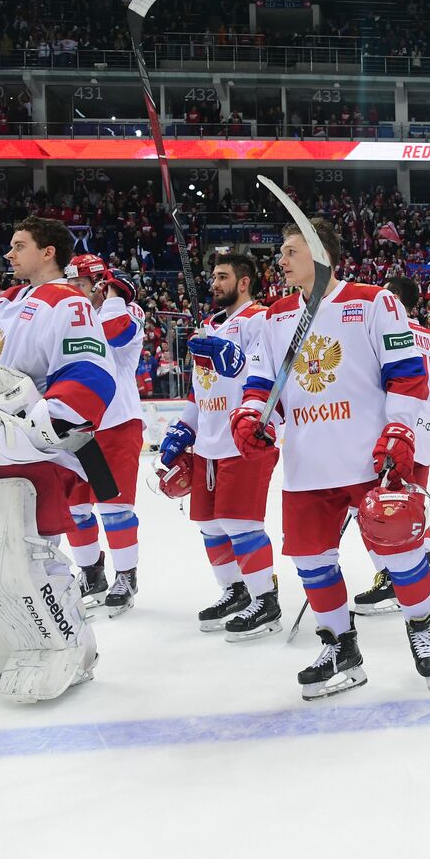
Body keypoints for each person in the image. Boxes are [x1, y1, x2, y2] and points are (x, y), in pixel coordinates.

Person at [231, 217, 430, 699]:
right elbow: (263, 386)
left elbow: (407, 375)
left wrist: (400, 431)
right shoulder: (275, 316)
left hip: (369, 459)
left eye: (290, 250)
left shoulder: (373, 301)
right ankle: (340, 645)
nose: (280, 260)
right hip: (308, 464)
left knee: (401, 550)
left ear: (320, 253)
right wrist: (252, 418)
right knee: (309, 558)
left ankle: (420, 623)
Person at [0, 216, 115, 702]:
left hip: (32, 450)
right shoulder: (5, 304)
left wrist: (48, 421)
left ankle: (66, 645)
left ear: (49, 251)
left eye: (19, 246)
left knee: (23, 553)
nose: (9, 254)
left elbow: (90, 370)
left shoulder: (69, 301)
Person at [158, 253, 282, 639]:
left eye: (223, 277)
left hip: (245, 437)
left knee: (240, 523)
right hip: (209, 442)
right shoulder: (209, 326)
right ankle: (235, 590)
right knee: (210, 525)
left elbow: (266, 374)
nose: (215, 283)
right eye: (213, 276)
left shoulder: (260, 319)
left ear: (244, 282)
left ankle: (267, 600)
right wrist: (183, 427)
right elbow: (202, 389)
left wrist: (234, 359)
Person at [354, 275, 430, 615]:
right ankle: (424, 570)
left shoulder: (395, 331)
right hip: (427, 425)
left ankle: (395, 576)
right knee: (413, 503)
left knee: (375, 506)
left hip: (400, 427)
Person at [61, 254, 145, 618]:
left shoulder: (126, 311)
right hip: (76, 425)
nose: (72, 291)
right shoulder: (65, 315)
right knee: (75, 509)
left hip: (115, 425)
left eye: (79, 284)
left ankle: (126, 575)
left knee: (114, 508)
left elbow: (117, 333)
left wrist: (113, 296)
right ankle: (91, 573)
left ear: (99, 286)